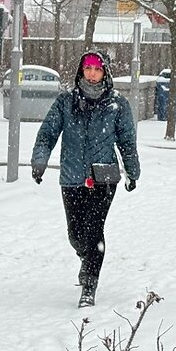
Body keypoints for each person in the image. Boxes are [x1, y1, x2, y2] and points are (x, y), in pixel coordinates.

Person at [31, 50, 141, 308]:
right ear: (81, 71)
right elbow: (47, 133)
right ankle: (87, 256)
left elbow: (127, 142)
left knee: (93, 230)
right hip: (71, 176)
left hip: (104, 176)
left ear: (105, 72)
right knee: (75, 234)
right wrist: (39, 161)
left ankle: (89, 283)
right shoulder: (65, 102)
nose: (92, 74)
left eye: (97, 69)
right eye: (88, 68)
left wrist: (132, 172)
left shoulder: (117, 104)